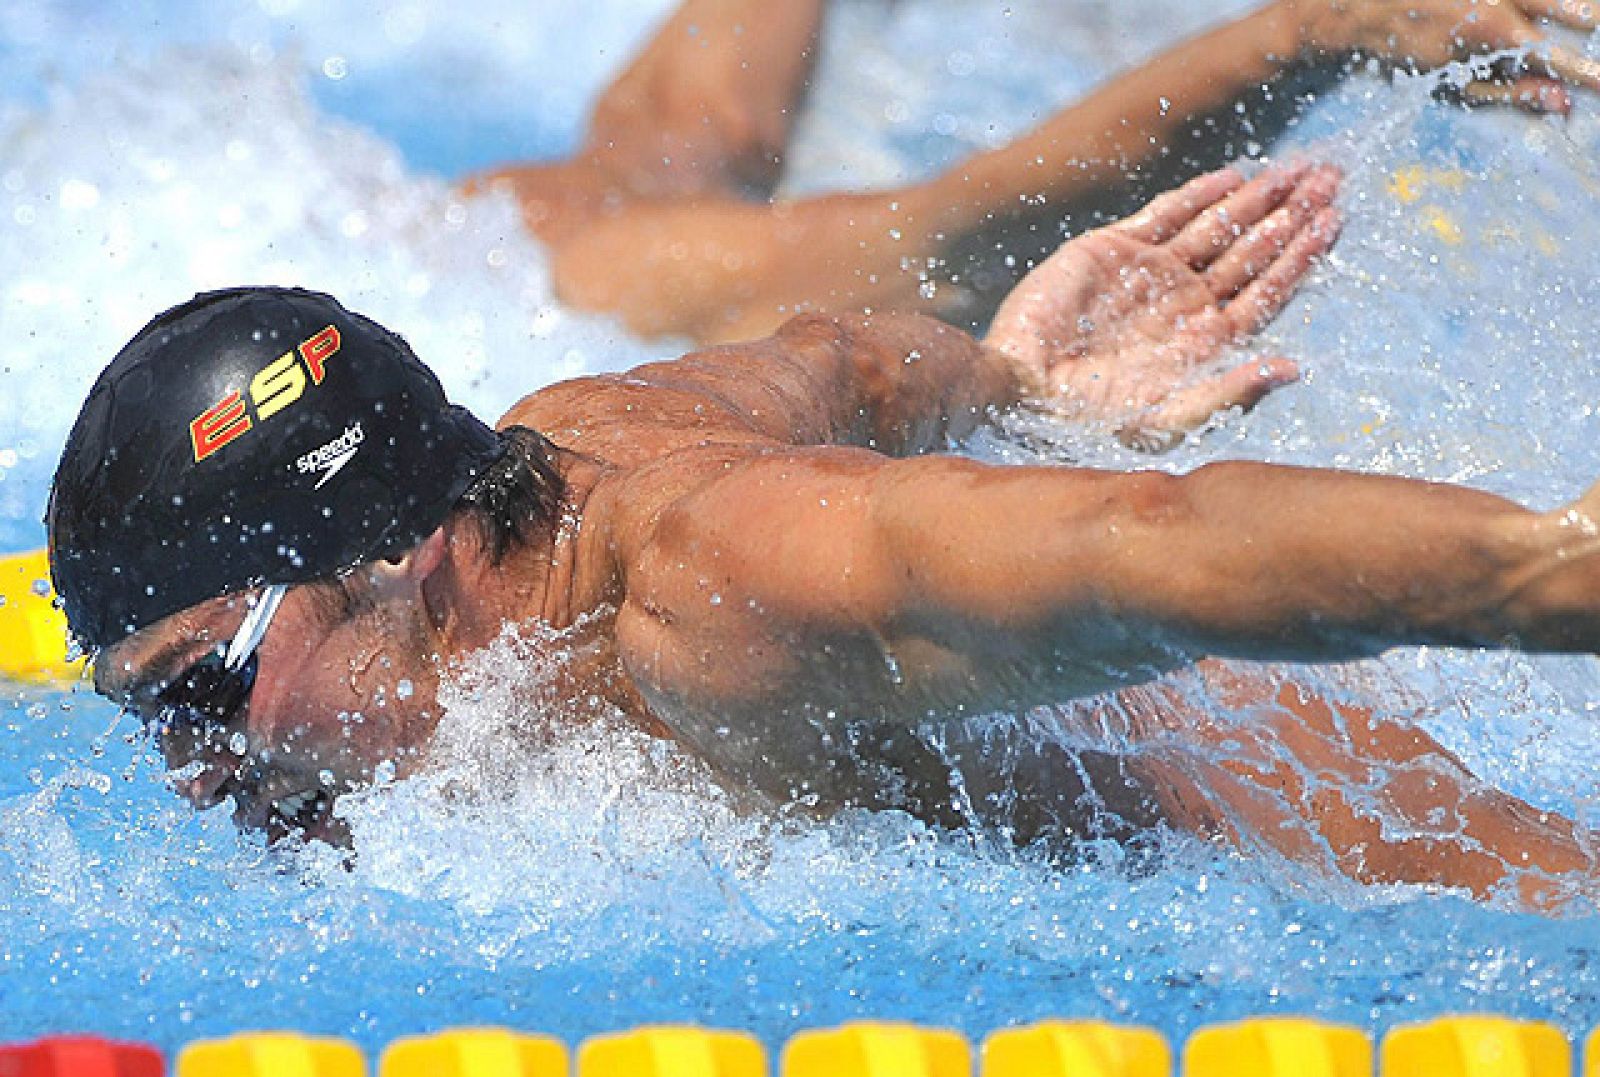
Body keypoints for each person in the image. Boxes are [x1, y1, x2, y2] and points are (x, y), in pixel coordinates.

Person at [46, 166, 1598, 907]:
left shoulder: (708, 595)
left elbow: (1141, 545)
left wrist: (1549, 575)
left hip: (1449, 898)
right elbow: (837, 362)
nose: (192, 770)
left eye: (203, 688)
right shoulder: (566, 431)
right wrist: (1017, 376)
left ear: (392, 550)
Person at [474, 0, 1600, 343]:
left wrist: (1318, 29)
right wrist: (1318, 29)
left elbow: (959, 232)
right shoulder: (606, 252)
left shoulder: (596, 258)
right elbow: (965, 234)